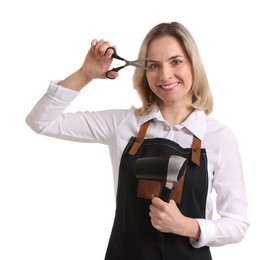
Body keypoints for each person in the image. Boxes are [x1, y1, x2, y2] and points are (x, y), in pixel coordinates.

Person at [25, 21, 249, 260]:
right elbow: (41, 121)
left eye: (176, 61)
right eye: (154, 65)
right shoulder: (123, 124)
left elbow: (237, 224)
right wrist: (85, 74)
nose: (165, 75)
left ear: (193, 64)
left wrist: (186, 226)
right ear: (144, 71)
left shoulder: (218, 138)